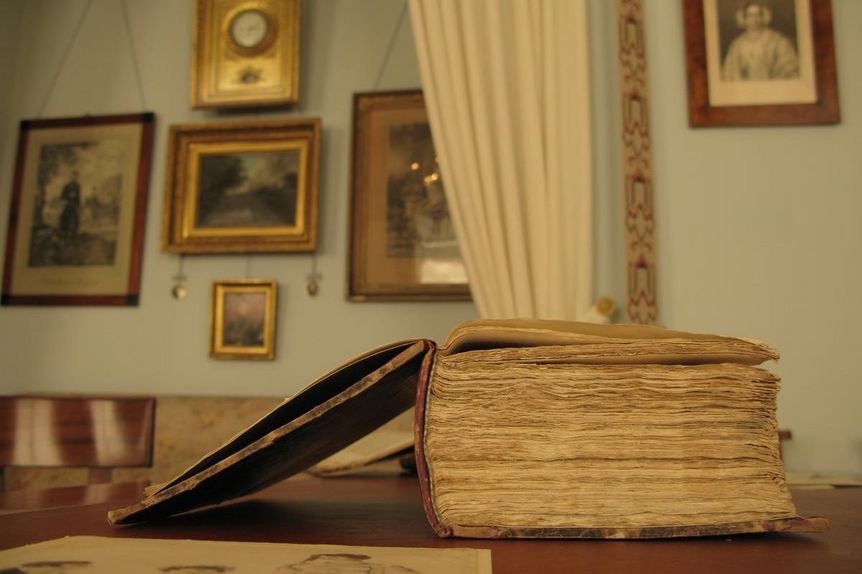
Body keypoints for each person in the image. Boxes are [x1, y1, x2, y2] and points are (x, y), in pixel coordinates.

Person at [721, 1, 799, 81]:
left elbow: (788, 66)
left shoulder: (777, 40)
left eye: (757, 15)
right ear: (744, 18)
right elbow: (729, 72)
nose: (754, 19)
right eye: (750, 15)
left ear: (763, 17)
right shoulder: (737, 45)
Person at [58, 171, 81, 237]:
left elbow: (78, 197)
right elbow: (62, 196)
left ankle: (74, 232)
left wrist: (79, 205)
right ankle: (64, 231)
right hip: (68, 203)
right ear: (70, 177)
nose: (74, 178)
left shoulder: (78, 186)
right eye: (73, 176)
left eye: (76, 177)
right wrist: (68, 196)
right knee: (65, 216)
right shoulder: (66, 186)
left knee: (75, 217)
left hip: (74, 204)